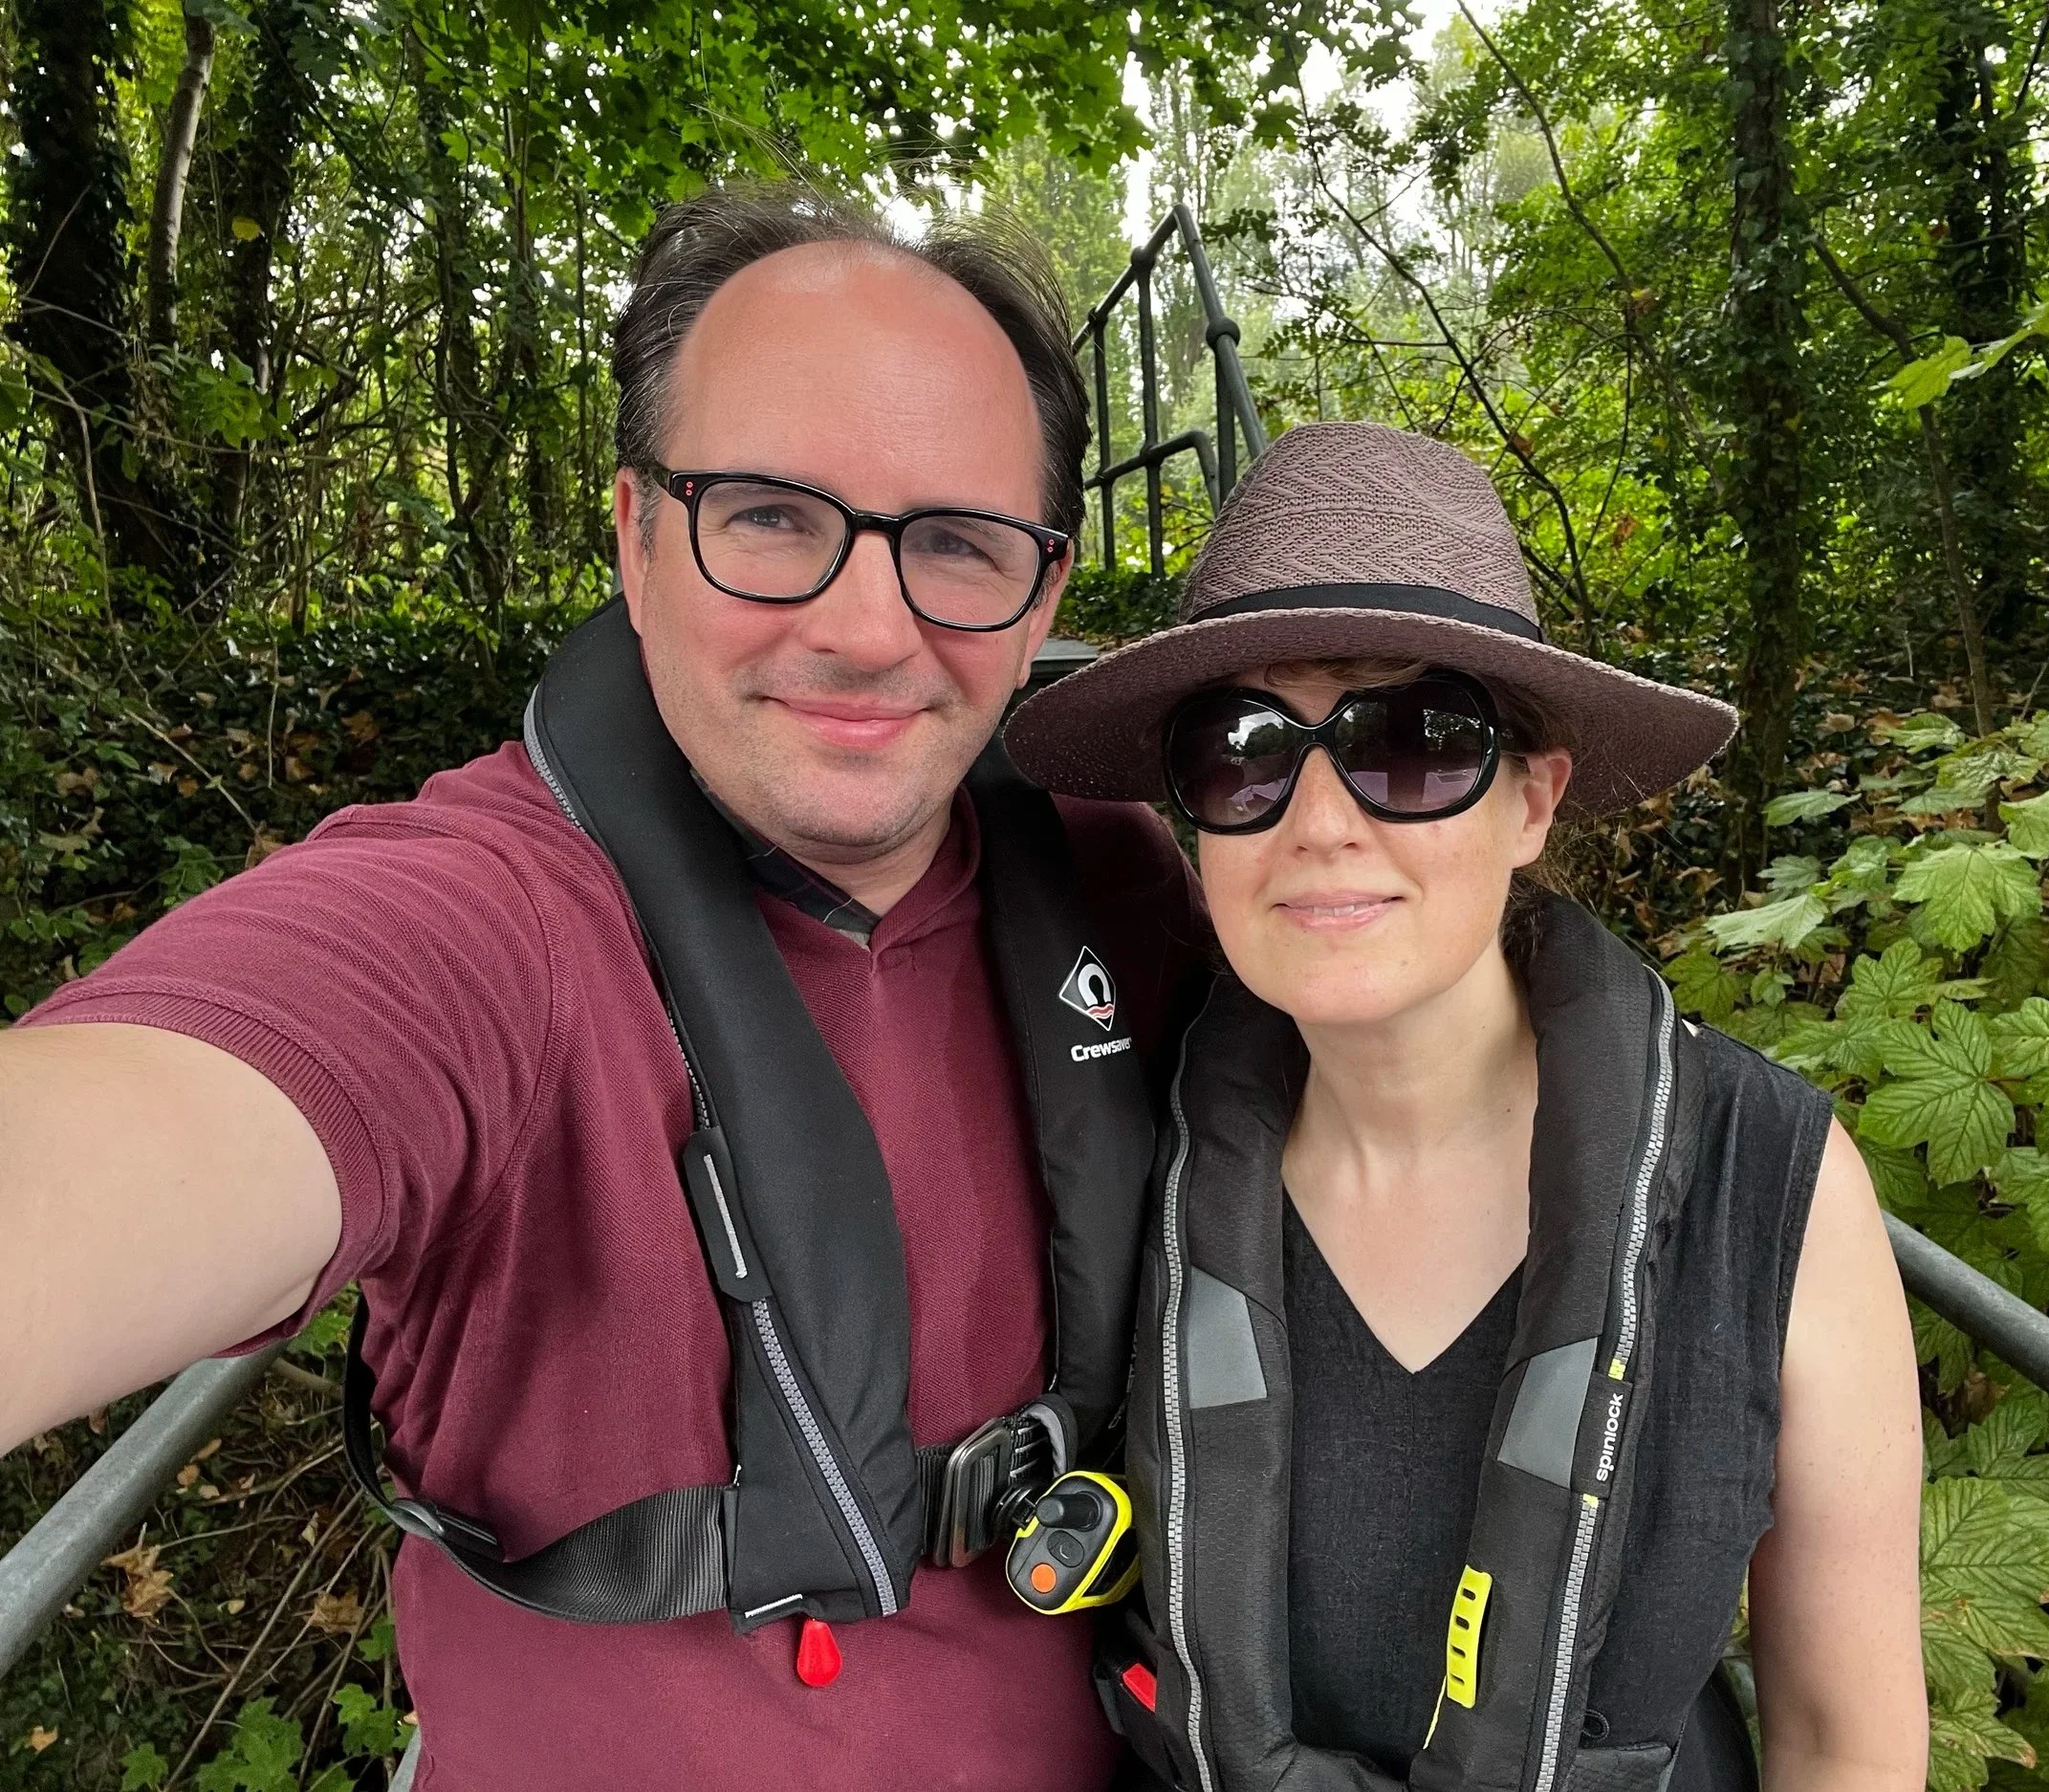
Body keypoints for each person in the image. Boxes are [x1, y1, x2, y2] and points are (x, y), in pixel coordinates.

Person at [0, 182, 1207, 1790]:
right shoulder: (483, 924)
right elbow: (153, 1125)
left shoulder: (1129, 889)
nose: (866, 625)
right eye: (772, 514)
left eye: (960, 543)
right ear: (637, 539)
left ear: (1044, 594)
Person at [1004, 422, 1929, 1792]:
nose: (1317, 821)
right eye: (1243, 750)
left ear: (1536, 799)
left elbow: (1842, 1741)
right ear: (1195, 819)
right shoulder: (1123, 1161)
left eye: (1409, 741)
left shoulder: (1767, 1183)